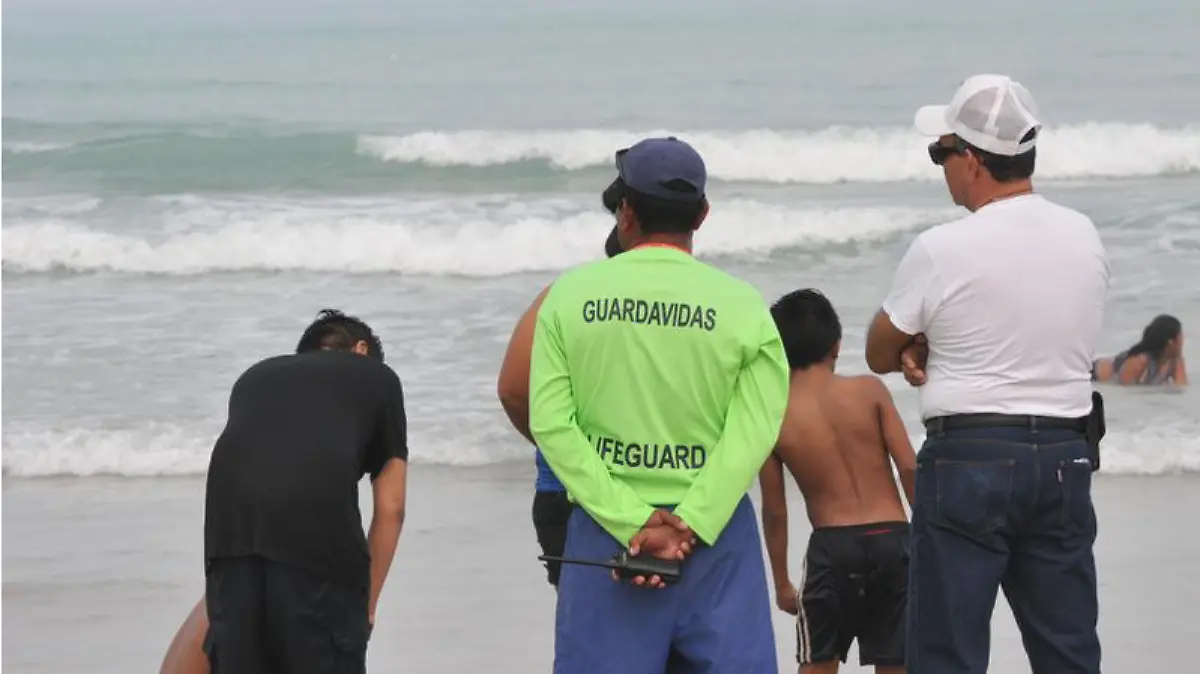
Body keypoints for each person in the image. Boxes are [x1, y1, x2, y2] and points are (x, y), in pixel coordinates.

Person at [864, 74, 1110, 674]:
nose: (941, 166)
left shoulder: (943, 248)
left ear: (972, 160)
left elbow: (878, 350)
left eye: (941, 152)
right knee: (1068, 652)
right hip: (1064, 456)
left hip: (969, 456)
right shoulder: (1083, 235)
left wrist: (917, 345)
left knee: (946, 653)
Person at [528, 136, 790, 673]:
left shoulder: (569, 297)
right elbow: (756, 429)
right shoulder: (743, 306)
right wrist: (691, 521)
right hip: (714, 535)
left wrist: (633, 522)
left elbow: (550, 424)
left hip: (605, 531)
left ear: (626, 212)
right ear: (702, 214)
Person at [200, 309, 409, 674]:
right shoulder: (377, 376)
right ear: (362, 350)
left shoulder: (255, 376)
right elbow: (392, 508)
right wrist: (365, 608)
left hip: (228, 542)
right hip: (314, 546)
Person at [758, 289, 916, 674]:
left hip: (833, 547)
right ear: (837, 345)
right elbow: (910, 468)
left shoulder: (772, 416)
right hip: (894, 540)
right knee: (897, 662)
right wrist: (928, 541)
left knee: (818, 663)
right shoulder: (869, 390)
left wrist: (781, 582)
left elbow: (775, 509)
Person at [496, 202, 627, 590]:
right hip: (663, 496)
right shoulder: (686, 305)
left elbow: (513, 391)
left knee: (584, 620)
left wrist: (563, 449)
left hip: (563, 490)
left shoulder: (564, 296)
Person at [1091, 314, 1187, 385]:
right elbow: (1123, 390)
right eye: (1181, 335)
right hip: (1093, 375)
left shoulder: (1174, 360)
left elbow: (1181, 387)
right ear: (1171, 342)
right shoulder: (1141, 360)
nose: (1183, 339)